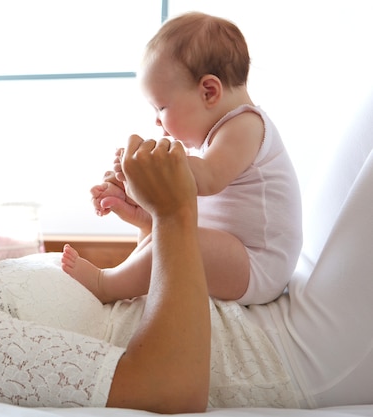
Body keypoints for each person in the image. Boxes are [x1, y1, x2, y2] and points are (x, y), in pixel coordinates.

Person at [0, 93, 373, 413]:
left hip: (276, 309)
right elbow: (169, 387)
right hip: (293, 358)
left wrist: (151, 229)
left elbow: (132, 312)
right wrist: (173, 214)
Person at [62, 12, 302, 305]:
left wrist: (147, 164)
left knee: (183, 244)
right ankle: (123, 270)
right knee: (166, 238)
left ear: (209, 91)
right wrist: (141, 199)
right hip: (233, 257)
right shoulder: (210, 142)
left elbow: (207, 179)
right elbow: (184, 200)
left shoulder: (246, 126)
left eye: (161, 107)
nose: (157, 122)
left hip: (258, 267)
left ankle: (106, 284)